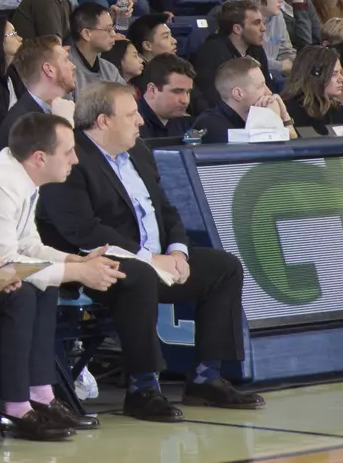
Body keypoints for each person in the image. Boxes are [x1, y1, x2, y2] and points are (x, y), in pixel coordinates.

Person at [37, 81, 267, 417]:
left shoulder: (138, 152)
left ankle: (206, 378)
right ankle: (142, 388)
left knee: (224, 268)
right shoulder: (72, 159)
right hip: (92, 263)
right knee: (140, 275)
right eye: (131, 114)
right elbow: (82, 230)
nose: (140, 120)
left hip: (156, 258)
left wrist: (177, 252)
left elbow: (166, 209)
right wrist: (148, 258)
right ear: (103, 121)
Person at [0, 110, 122, 440]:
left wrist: (77, 261)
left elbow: (29, 245)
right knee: (26, 290)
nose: (75, 160)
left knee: (44, 285)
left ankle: (40, 394)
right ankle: (15, 406)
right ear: (39, 157)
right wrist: (78, 272)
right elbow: (6, 261)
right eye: (68, 152)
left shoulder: (21, 177)